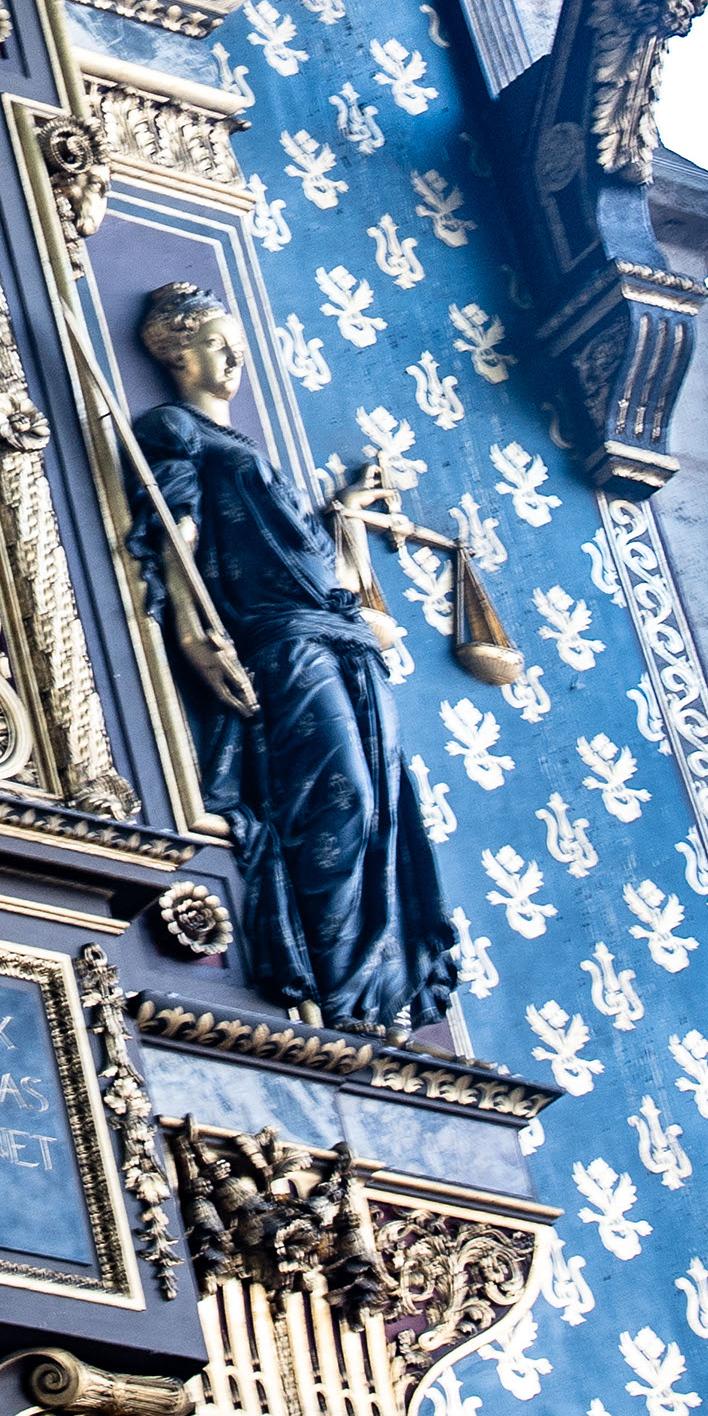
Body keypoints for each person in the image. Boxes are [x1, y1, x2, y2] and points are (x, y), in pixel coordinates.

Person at [129, 282, 465, 1035]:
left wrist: (345, 521)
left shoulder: (249, 451)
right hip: (279, 638)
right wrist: (191, 629)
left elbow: (324, 570)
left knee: (379, 809)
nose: (235, 354)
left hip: (336, 637)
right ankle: (339, 992)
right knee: (334, 792)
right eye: (217, 340)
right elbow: (173, 533)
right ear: (176, 352)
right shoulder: (175, 429)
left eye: (235, 340)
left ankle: (378, 992)